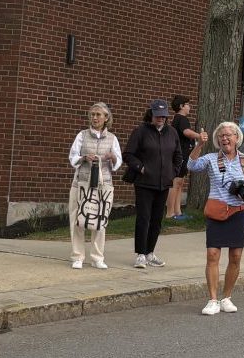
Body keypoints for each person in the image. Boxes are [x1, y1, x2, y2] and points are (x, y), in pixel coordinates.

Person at [186, 121, 244, 315]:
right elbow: (191, 165)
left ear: (237, 138)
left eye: (228, 135)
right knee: (212, 255)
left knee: (235, 256)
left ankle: (226, 297)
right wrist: (199, 145)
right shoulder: (210, 159)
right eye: (221, 136)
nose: (225, 138)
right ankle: (212, 300)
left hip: (238, 212)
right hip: (217, 211)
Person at [123, 99, 183, 269]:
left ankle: (150, 252)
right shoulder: (140, 131)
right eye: (158, 116)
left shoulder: (172, 133)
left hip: (164, 184)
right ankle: (140, 254)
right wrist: (140, 168)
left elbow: (178, 155)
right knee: (144, 218)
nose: (161, 119)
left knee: (157, 220)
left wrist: (173, 172)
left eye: (163, 116)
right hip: (144, 183)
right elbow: (128, 154)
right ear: (151, 114)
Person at [67, 102, 122, 270]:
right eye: (93, 115)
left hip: (103, 185)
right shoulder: (82, 135)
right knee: (78, 220)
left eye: (99, 115)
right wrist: (84, 157)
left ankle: (97, 257)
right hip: (81, 183)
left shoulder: (112, 138)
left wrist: (112, 157)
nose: (95, 118)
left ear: (106, 118)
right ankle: (78, 256)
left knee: (100, 220)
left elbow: (118, 162)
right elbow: (72, 157)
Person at [166, 95, 200, 220]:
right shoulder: (181, 118)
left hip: (183, 155)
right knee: (176, 183)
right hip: (179, 156)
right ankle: (170, 213)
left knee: (180, 183)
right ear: (181, 106)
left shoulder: (178, 118)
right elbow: (186, 132)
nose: (189, 107)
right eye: (187, 104)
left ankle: (178, 211)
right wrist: (199, 136)